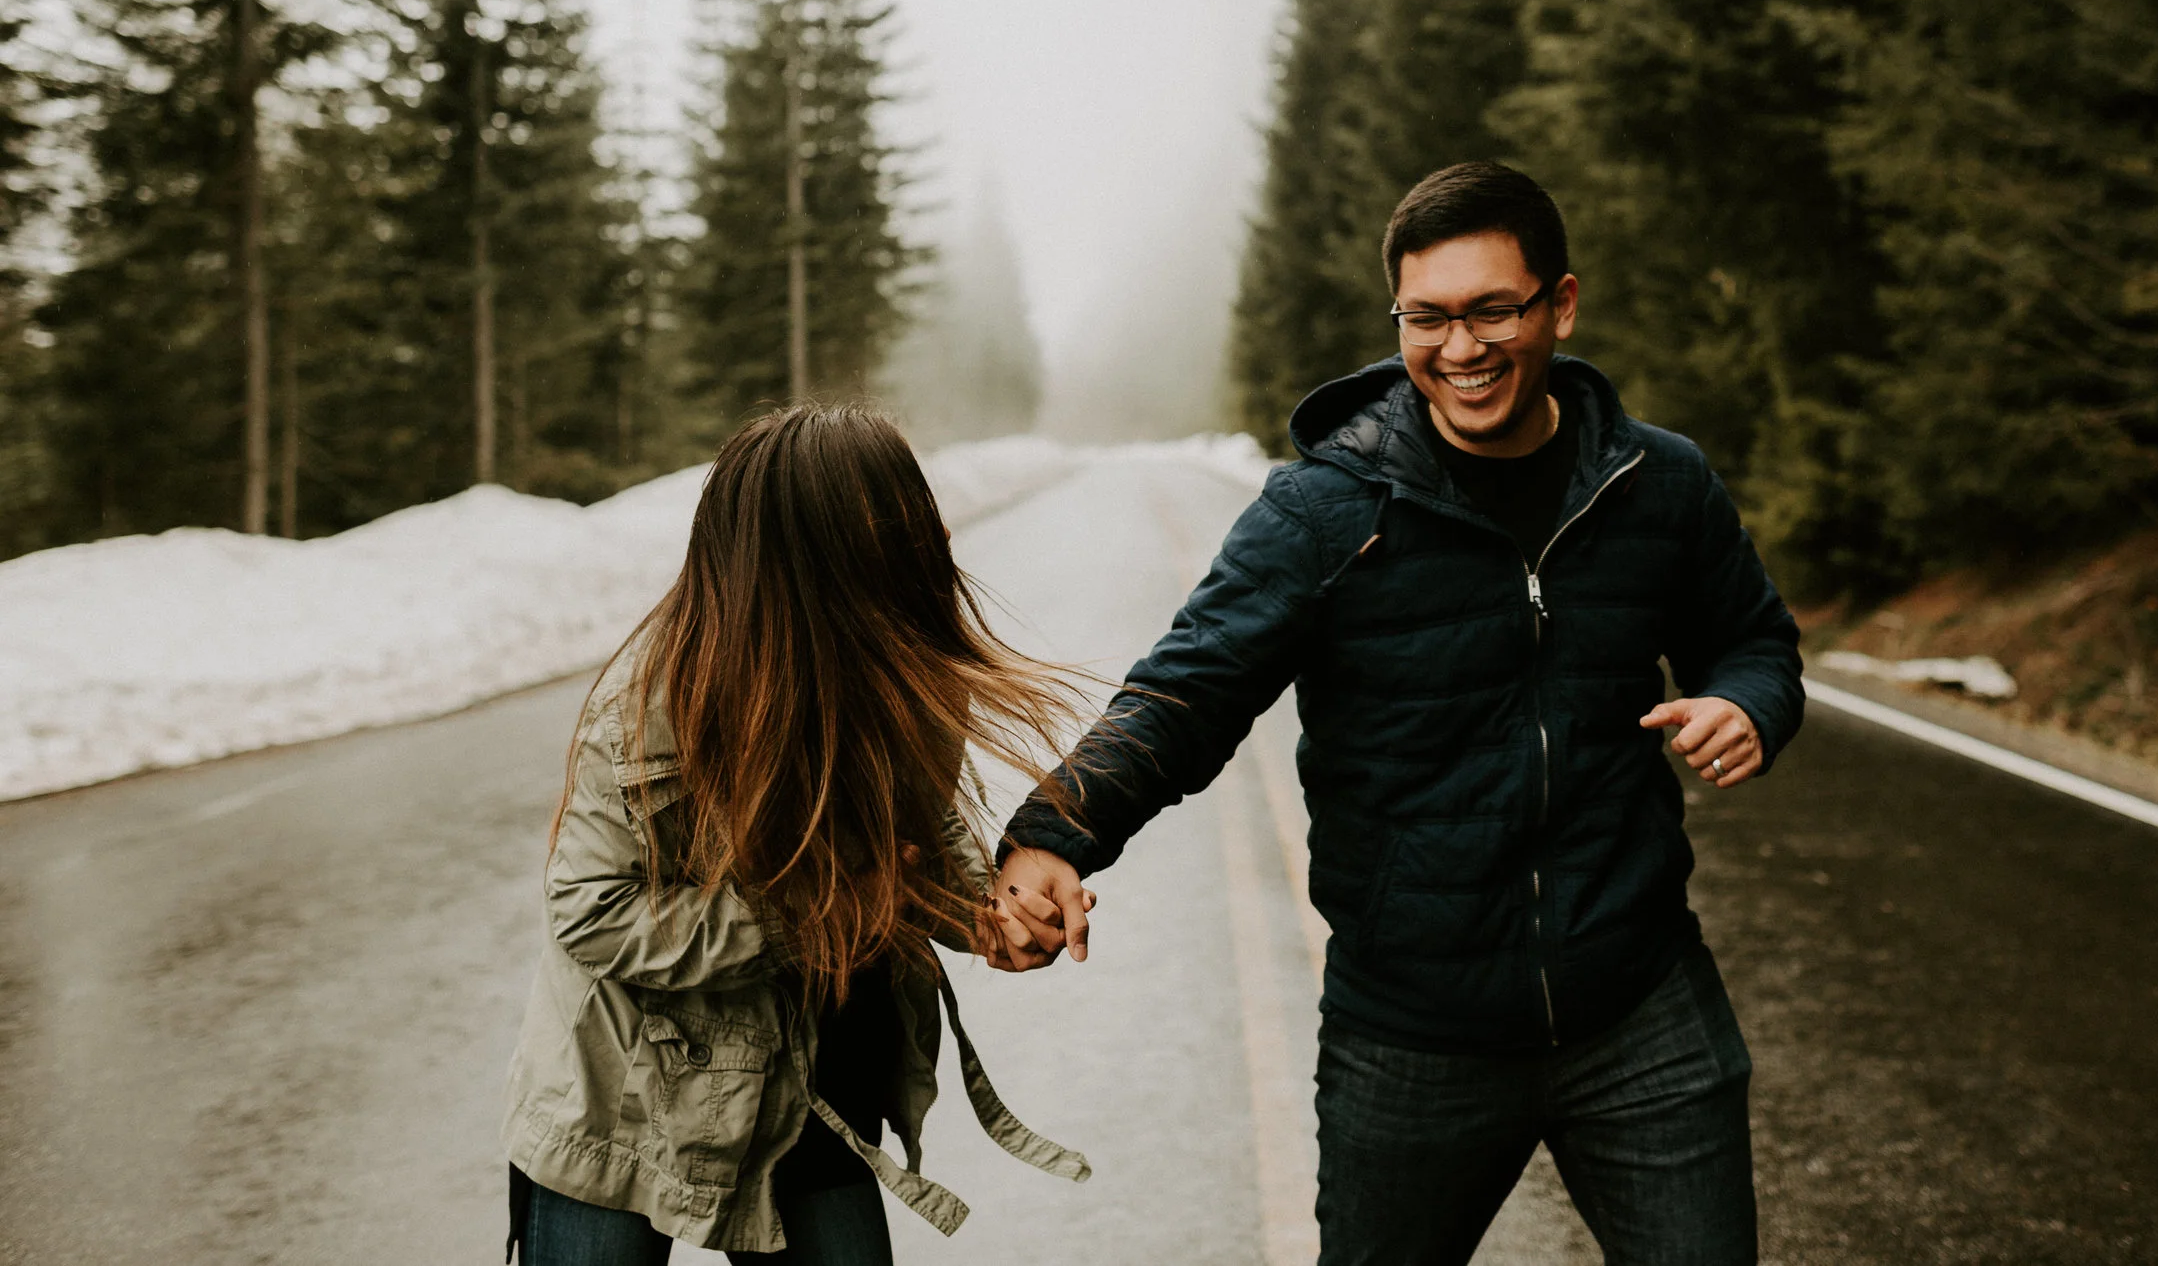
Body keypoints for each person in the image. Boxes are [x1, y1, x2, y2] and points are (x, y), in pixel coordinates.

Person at [991, 162, 1804, 1265]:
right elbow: (1186, 692)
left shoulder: (1657, 484)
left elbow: (1752, 639)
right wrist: (1053, 831)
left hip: (1641, 1008)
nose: (1459, 349)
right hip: (1410, 1036)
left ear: (1558, 305)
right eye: (1426, 318)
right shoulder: (1325, 510)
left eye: (1489, 311)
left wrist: (1749, 703)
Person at [501, 404, 1093, 1264]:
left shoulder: (902, 664)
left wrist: (987, 913)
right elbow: (593, 910)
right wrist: (799, 917)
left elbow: (914, 831)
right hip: (620, 1100)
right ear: (788, 562)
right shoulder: (650, 702)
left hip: (811, 1086)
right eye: (869, 550)